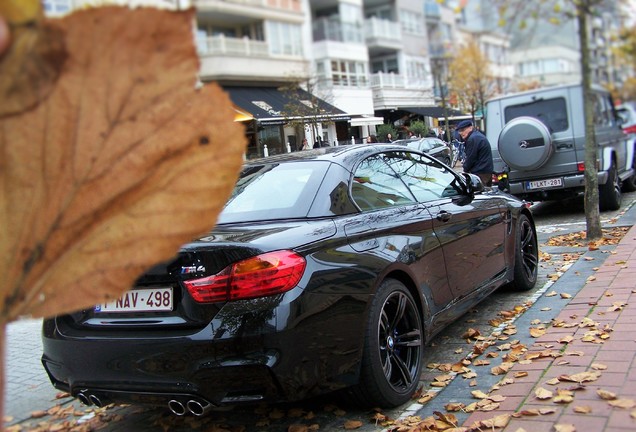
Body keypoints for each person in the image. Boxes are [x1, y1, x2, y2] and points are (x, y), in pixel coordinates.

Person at [456, 119, 493, 186]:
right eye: (459, 131)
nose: (461, 133)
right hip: (485, 171)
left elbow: (471, 158)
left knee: (478, 194)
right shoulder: (476, 136)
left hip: (480, 173)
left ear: (471, 128)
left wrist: (465, 170)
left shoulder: (472, 139)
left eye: (463, 130)